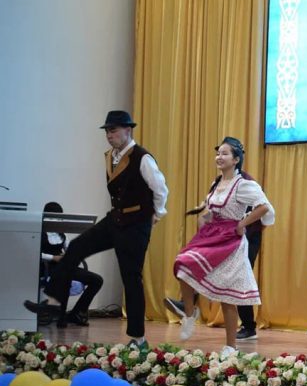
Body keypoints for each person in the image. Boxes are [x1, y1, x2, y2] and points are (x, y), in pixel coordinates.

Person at [42, 111, 167, 349]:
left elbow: (160, 189)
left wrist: (157, 214)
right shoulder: (111, 156)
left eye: (114, 130)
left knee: (131, 278)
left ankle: (138, 338)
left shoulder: (142, 157)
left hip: (136, 224)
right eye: (107, 131)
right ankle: (52, 301)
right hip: (116, 219)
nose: (109, 135)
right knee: (77, 246)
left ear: (128, 130)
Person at [173, 137, 273, 357]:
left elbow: (264, 207)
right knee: (182, 264)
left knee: (229, 297)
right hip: (212, 235)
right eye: (218, 153)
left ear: (236, 159)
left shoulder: (243, 184)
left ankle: (230, 346)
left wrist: (242, 223)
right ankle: (189, 312)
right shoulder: (216, 183)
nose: (219, 157)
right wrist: (204, 219)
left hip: (231, 241)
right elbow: (212, 211)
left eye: (225, 153)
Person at [24, 201, 104, 328]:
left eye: (58, 217)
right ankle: (56, 312)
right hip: (48, 267)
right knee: (65, 278)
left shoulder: (62, 234)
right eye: (53, 217)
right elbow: (35, 252)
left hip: (65, 266)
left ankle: (75, 313)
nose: (56, 220)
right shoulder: (39, 233)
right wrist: (53, 257)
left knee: (97, 280)